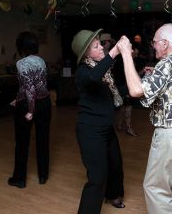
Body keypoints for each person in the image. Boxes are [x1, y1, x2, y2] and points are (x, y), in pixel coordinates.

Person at [117, 23, 172, 214]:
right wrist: (151, 76)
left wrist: (125, 54)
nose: (153, 45)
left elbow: (135, 91)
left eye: (155, 42)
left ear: (165, 43)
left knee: (156, 188)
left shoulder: (166, 64)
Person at [72, 29, 125, 214]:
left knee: (115, 163)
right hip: (90, 131)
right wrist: (114, 52)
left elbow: (116, 93)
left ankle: (113, 195)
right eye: (96, 46)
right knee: (97, 176)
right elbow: (94, 78)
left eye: (100, 44)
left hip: (106, 127)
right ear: (86, 53)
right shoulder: (83, 72)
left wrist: (142, 77)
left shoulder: (104, 71)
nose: (101, 47)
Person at [7, 32, 52, 188]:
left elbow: (29, 89)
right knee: (43, 140)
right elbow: (33, 84)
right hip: (45, 103)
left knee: (22, 142)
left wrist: (30, 110)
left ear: (20, 47)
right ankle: (43, 176)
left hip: (28, 105)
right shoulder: (41, 61)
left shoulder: (21, 64)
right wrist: (17, 99)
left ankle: (19, 179)